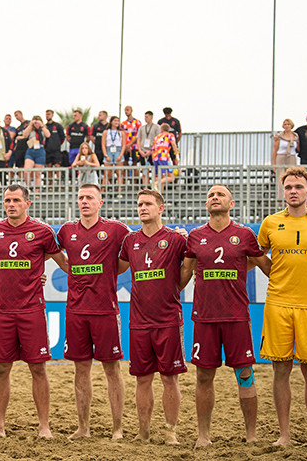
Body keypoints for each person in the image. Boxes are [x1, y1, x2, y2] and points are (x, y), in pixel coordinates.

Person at [179, 184, 271, 447]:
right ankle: (203, 436)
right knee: (203, 376)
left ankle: (252, 435)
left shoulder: (244, 234)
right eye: (210, 195)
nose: (214, 197)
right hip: (205, 317)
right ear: (206, 204)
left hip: (237, 316)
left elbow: (268, 268)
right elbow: (183, 276)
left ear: (232, 203)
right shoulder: (195, 237)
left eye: (220, 194)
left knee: (245, 374)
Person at [257, 167, 307, 447]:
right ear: (283, 191)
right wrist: (275, 273)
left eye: (299, 187)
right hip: (277, 303)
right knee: (281, 371)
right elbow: (258, 256)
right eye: (288, 186)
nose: (293, 191)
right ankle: (284, 435)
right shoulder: (270, 223)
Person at [0, 184, 66, 439]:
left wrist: (32, 274)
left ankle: (44, 427)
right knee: (0, 369)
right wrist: (7, 271)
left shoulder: (42, 231)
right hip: (2, 310)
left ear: (27, 203)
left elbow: (62, 261)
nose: (11, 204)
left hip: (32, 310)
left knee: (38, 368)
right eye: (7, 200)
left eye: (16, 200)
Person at [56, 184, 130, 440]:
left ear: (101, 202)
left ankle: (117, 428)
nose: (84, 201)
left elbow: (136, 249)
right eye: (81, 198)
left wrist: (110, 270)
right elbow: (50, 255)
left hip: (105, 309)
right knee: (81, 369)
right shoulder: (67, 230)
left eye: (90, 198)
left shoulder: (116, 229)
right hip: (76, 310)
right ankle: (83, 427)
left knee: (112, 369)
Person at [118, 189, 187, 444]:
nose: (142, 208)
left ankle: (171, 432)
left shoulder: (176, 239)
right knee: (142, 378)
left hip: (168, 319)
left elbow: (192, 266)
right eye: (139, 204)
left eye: (148, 203)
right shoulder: (130, 241)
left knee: (170, 378)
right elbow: (114, 269)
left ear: (161, 208)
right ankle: (143, 432)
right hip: (138, 321)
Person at [272, 119, 299, 198]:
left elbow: (298, 148)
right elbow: (275, 150)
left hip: (291, 157)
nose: (287, 126)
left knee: (292, 178)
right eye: (285, 124)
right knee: (281, 179)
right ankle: (280, 199)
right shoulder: (279, 137)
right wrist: (274, 164)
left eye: (288, 124)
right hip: (281, 157)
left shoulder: (295, 136)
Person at [22, 115, 49, 190]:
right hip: (31, 149)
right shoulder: (31, 129)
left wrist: (42, 125)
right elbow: (24, 135)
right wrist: (30, 125)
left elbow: (48, 135)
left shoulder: (43, 129)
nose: (36, 124)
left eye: (37, 122)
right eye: (35, 123)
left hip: (40, 150)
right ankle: (29, 187)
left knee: (37, 173)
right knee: (26, 171)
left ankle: (37, 191)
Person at [152, 124, 180, 192]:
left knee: (160, 176)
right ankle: (156, 184)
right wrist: (177, 155)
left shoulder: (156, 137)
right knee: (171, 177)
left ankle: (159, 195)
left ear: (161, 129)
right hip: (163, 156)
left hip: (155, 157)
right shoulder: (170, 135)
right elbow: (173, 144)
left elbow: (153, 148)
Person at [136, 111, 160, 186]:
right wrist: (140, 150)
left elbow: (158, 140)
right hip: (143, 150)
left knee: (155, 171)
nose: (145, 118)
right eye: (145, 117)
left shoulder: (157, 127)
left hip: (152, 151)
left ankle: (154, 186)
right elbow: (138, 139)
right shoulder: (142, 128)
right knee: (144, 170)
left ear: (151, 117)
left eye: (147, 117)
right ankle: (145, 187)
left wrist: (152, 150)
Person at [102, 116, 126, 186]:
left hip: (118, 150)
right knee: (107, 173)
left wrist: (121, 155)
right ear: (111, 122)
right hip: (108, 150)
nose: (117, 122)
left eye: (118, 121)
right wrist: (105, 155)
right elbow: (103, 144)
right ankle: (103, 190)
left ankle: (119, 191)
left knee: (119, 173)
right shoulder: (106, 132)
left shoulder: (121, 132)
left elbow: (123, 144)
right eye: (115, 121)